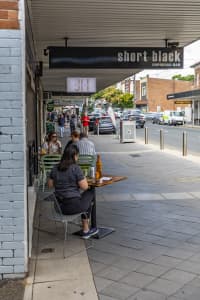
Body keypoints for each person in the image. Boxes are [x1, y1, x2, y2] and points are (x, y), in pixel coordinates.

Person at [48, 144, 99, 239]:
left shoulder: (55, 168)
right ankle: (87, 229)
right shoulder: (75, 168)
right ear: (74, 155)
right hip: (73, 207)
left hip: (59, 207)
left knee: (84, 199)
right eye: (77, 155)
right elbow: (85, 187)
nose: (78, 158)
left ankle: (86, 228)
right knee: (91, 192)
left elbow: (50, 185)